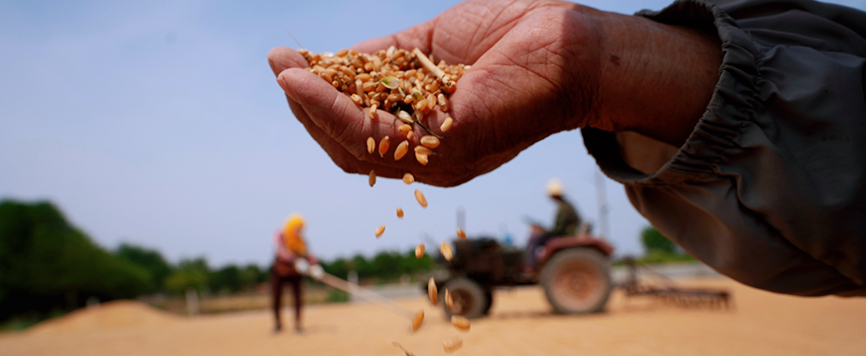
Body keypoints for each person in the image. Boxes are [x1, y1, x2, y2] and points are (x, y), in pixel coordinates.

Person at [268, 0, 866, 298]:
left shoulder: (568, 217)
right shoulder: (557, 211)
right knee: (532, 240)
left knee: (541, 245)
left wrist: (589, 62)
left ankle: (538, 264)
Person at [525, 178, 582, 271]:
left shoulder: (563, 208)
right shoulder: (565, 205)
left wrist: (542, 230)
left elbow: (558, 230)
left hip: (565, 235)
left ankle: (531, 266)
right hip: (566, 233)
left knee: (534, 239)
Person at [271, 214, 314, 333]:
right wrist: (295, 260)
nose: (299, 230)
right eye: (298, 227)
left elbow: (308, 254)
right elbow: (282, 252)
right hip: (280, 272)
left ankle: (298, 324)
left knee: (297, 299)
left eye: (301, 228)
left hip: (295, 274)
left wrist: (314, 265)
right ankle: (278, 324)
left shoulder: (301, 240)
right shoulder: (280, 236)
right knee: (276, 299)